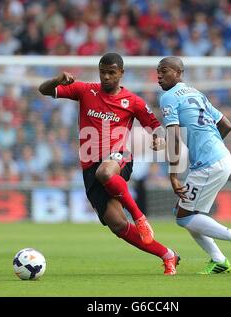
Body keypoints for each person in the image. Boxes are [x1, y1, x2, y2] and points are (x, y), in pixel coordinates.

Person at [38, 52, 180, 275]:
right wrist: (57, 80)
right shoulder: (85, 90)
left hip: (120, 157)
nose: (106, 77)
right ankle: (168, 255)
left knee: (105, 172)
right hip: (89, 164)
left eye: (111, 73)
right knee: (117, 224)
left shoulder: (133, 101)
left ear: (121, 74)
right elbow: (43, 90)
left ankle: (140, 217)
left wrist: (159, 137)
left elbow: (155, 126)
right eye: (103, 72)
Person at [156, 56, 231, 275]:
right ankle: (219, 260)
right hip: (221, 157)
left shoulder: (168, 97)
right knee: (187, 213)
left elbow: (173, 134)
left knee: (184, 217)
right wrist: (209, 145)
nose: (159, 75)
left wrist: (173, 175)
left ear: (179, 73)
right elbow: (226, 125)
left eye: (164, 71)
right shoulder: (196, 93)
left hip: (209, 164)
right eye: (158, 72)